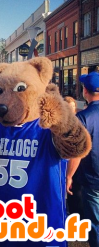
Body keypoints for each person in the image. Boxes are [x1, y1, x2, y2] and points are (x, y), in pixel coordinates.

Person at [75, 71, 99, 247]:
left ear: (85, 90)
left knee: (95, 224)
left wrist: (68, 177)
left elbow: (76, 152)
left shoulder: (82, 117)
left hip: (92, 179)